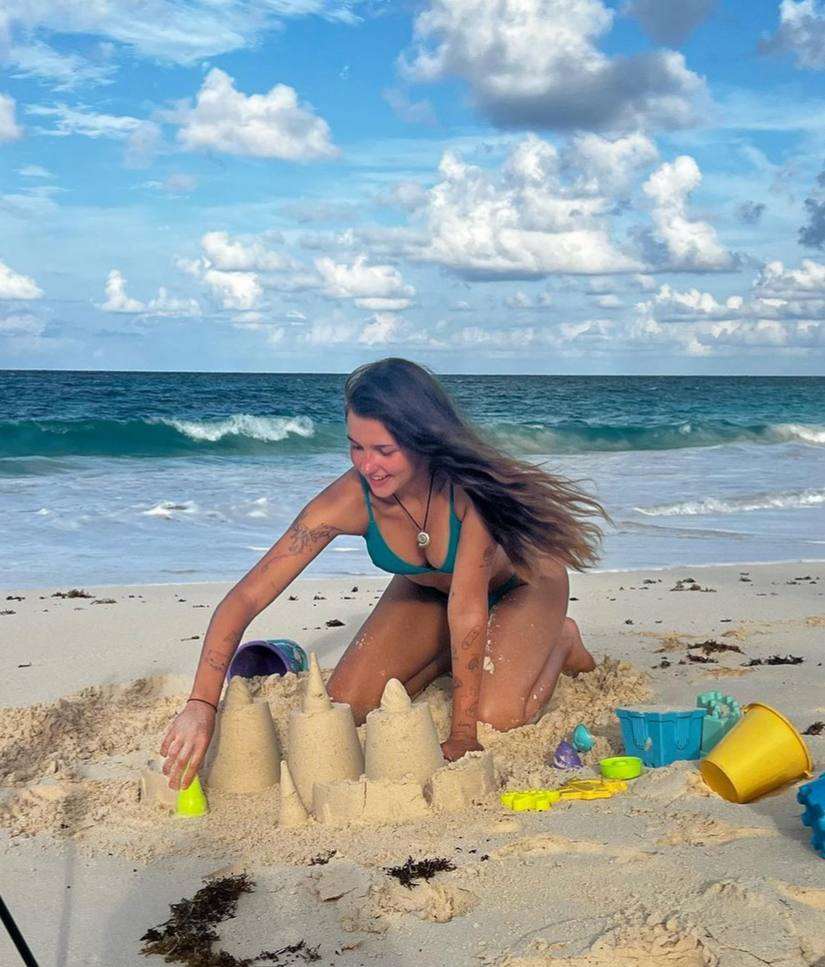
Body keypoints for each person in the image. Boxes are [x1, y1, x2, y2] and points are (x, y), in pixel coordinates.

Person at [161, 358, 609, 790]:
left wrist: (462, 733)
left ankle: (561, 639)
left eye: (384, 450)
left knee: (496, 716)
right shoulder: (347, 501)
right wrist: (201, 704)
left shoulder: (467, 495)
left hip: (523, 586)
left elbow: (468, 609)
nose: (366, 465)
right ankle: (451, 653)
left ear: (421, 440)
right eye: (356, 446)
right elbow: (246, 597)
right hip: (431, 594)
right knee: (345, 707)